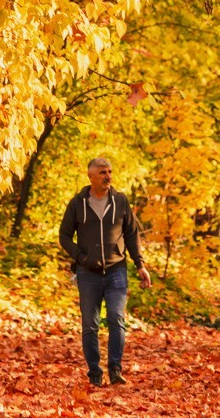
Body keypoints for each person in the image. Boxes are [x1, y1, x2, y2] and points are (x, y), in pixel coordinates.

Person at [59, 156, 151, 386]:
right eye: (102, 172)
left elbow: (131, 234)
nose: (108, 176)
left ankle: (115, 369)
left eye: (109, 171)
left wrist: (140, 264)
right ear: (90, 176)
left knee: (116, 320)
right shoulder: (78, 204)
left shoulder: (120, 201)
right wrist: (80, 257)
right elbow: (64, 236)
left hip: (116, 270)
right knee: (90, 325)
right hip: (87, 273)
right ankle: (94, 373)